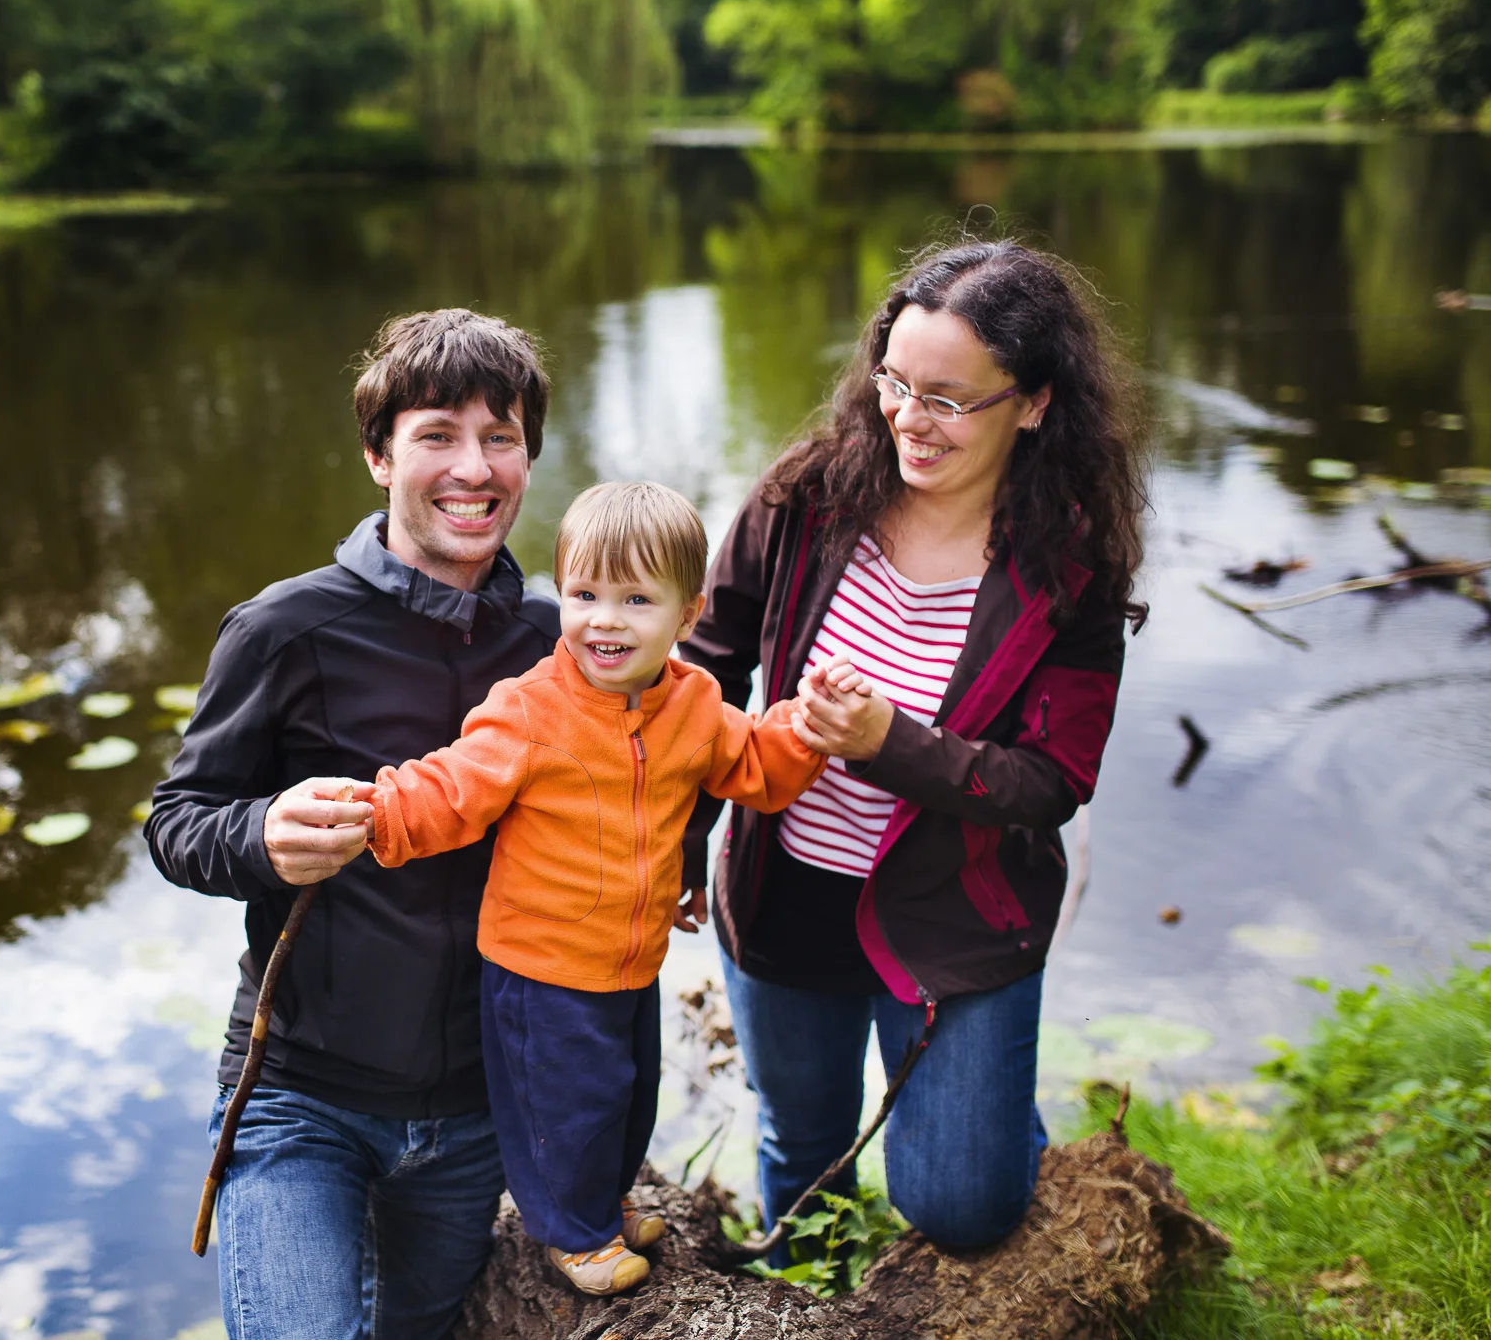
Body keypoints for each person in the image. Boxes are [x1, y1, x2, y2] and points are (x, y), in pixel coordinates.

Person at [678, 239, 1149, 1262]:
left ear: (1032, 404)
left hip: (957, 918)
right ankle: (808, 1306)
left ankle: (988, 1123)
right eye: (894, 382)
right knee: (801, 1153)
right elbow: (703, 670)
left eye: (947, 399)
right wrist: (679, 840)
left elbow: (1052, 781)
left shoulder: (1068, 566)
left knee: (958, 1204)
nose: (907, 417)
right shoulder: (806, 496)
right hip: (783, 891)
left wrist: (887, 742)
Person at [144, 309, 561, 1340]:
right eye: (437, 435)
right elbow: (176, 822)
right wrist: (261, 836)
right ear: (379, 456)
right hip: (302, 1098)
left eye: (499, 437)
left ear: (527, 457)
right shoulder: (282, 629)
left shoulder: (559, 641)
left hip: (477, 1111)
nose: (473, 469)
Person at [353, 481, 828, 1295]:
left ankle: (603, 1201)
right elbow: (451, 789)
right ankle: (573, 1234)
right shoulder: (530, 711)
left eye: (636, 600)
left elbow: (754, 763)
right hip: (541, 966)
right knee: (564, 1106)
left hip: (631, 958)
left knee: (627, 1093)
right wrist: (377, 811)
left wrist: (806, 724)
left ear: (688, 615)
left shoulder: (695, 703)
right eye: (584, 595)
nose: (605, 620)